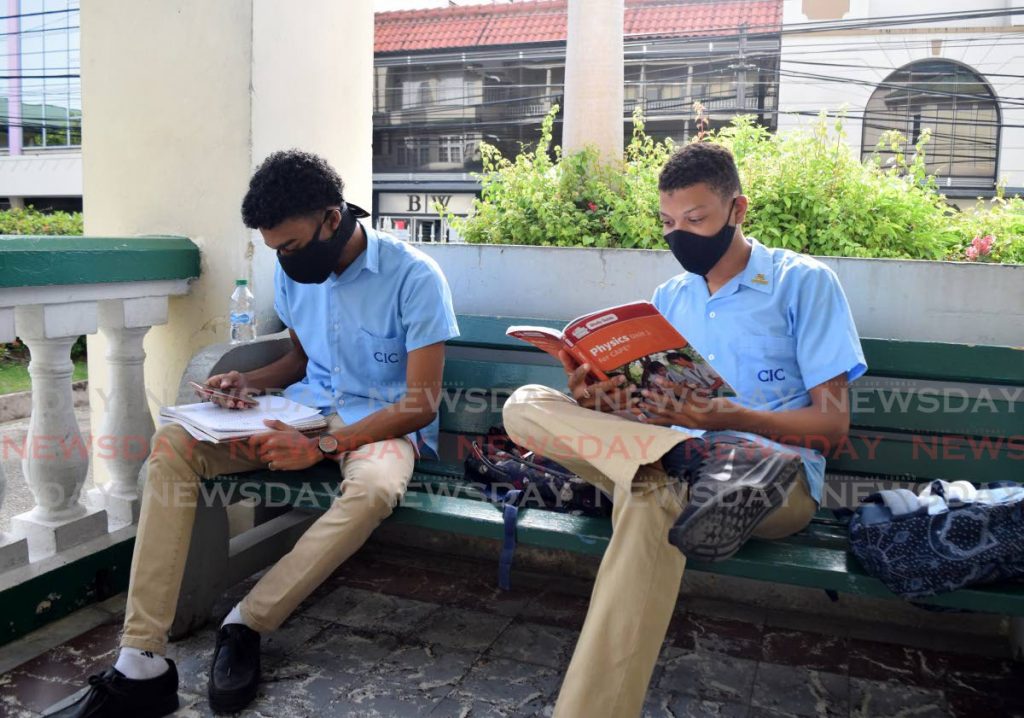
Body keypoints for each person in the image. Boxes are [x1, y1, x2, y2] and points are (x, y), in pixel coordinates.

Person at [54, 150, 459, 717]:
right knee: (173, 445)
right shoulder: (298, 272)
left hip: (379, 427)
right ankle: (140, 660)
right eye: (274, 250)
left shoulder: (414, 277)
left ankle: (246, 623)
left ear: (331, 217)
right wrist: (248, 381)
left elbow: (420, 404)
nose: (284, 260)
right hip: (300, 413)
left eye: (290, 246)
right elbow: (299, 359)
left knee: (373, 492)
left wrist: (319, 446)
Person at [502, 142, 866, 718]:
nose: (680, 235)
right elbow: (650, 413)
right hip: (679, 454)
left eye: (695, 220)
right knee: (525, 405)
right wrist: (602, 402)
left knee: (650, 497)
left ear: (737, 210)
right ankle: (691, 462)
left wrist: (733, 418)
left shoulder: (803, 284)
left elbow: (832, 428)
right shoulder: (669, 299)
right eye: (668, 223)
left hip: (777, 481)